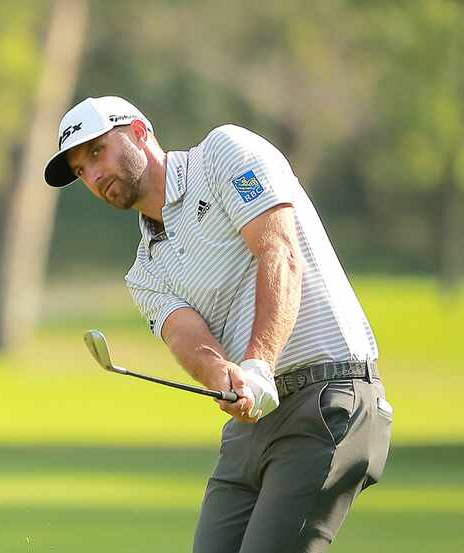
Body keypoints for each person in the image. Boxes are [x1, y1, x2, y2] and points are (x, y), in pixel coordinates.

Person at [43, 96, 393, 553]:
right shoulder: (145, 270)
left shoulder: (223, 154)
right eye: (80, 171)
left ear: (139, 133)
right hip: (251, 427)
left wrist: (259, 365)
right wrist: (226, 379)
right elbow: (188, 338)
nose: (92, 175)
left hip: (327, 398)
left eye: (96, 153)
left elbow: (279, 252)